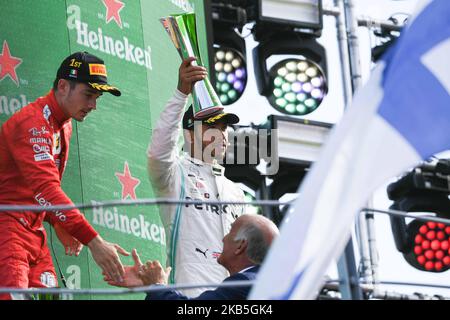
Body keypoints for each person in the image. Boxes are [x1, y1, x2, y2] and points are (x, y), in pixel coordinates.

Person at [0, 51, 129, 299]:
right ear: (62, 86)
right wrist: (94, 242)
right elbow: (46, 189)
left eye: (97, 97)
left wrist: (57, 221)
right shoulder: (33, 123)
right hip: (7, 230)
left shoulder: (64, 124)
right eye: (88, 95)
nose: (93, 105)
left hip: (33, 233)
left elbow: (36, 193)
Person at [147, 57, 246, 297]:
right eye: (213, 126)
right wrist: (182, 93)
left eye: (224, 127)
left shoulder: (236, 192)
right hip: (187, 295)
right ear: (189, 136)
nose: (222, 134)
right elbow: (159, 151)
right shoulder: (174, 174)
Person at [105, 214, 279, 300]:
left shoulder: (243, 286)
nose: (224, 238)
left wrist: (157, 286)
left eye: (230, 231)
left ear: (240, 245)